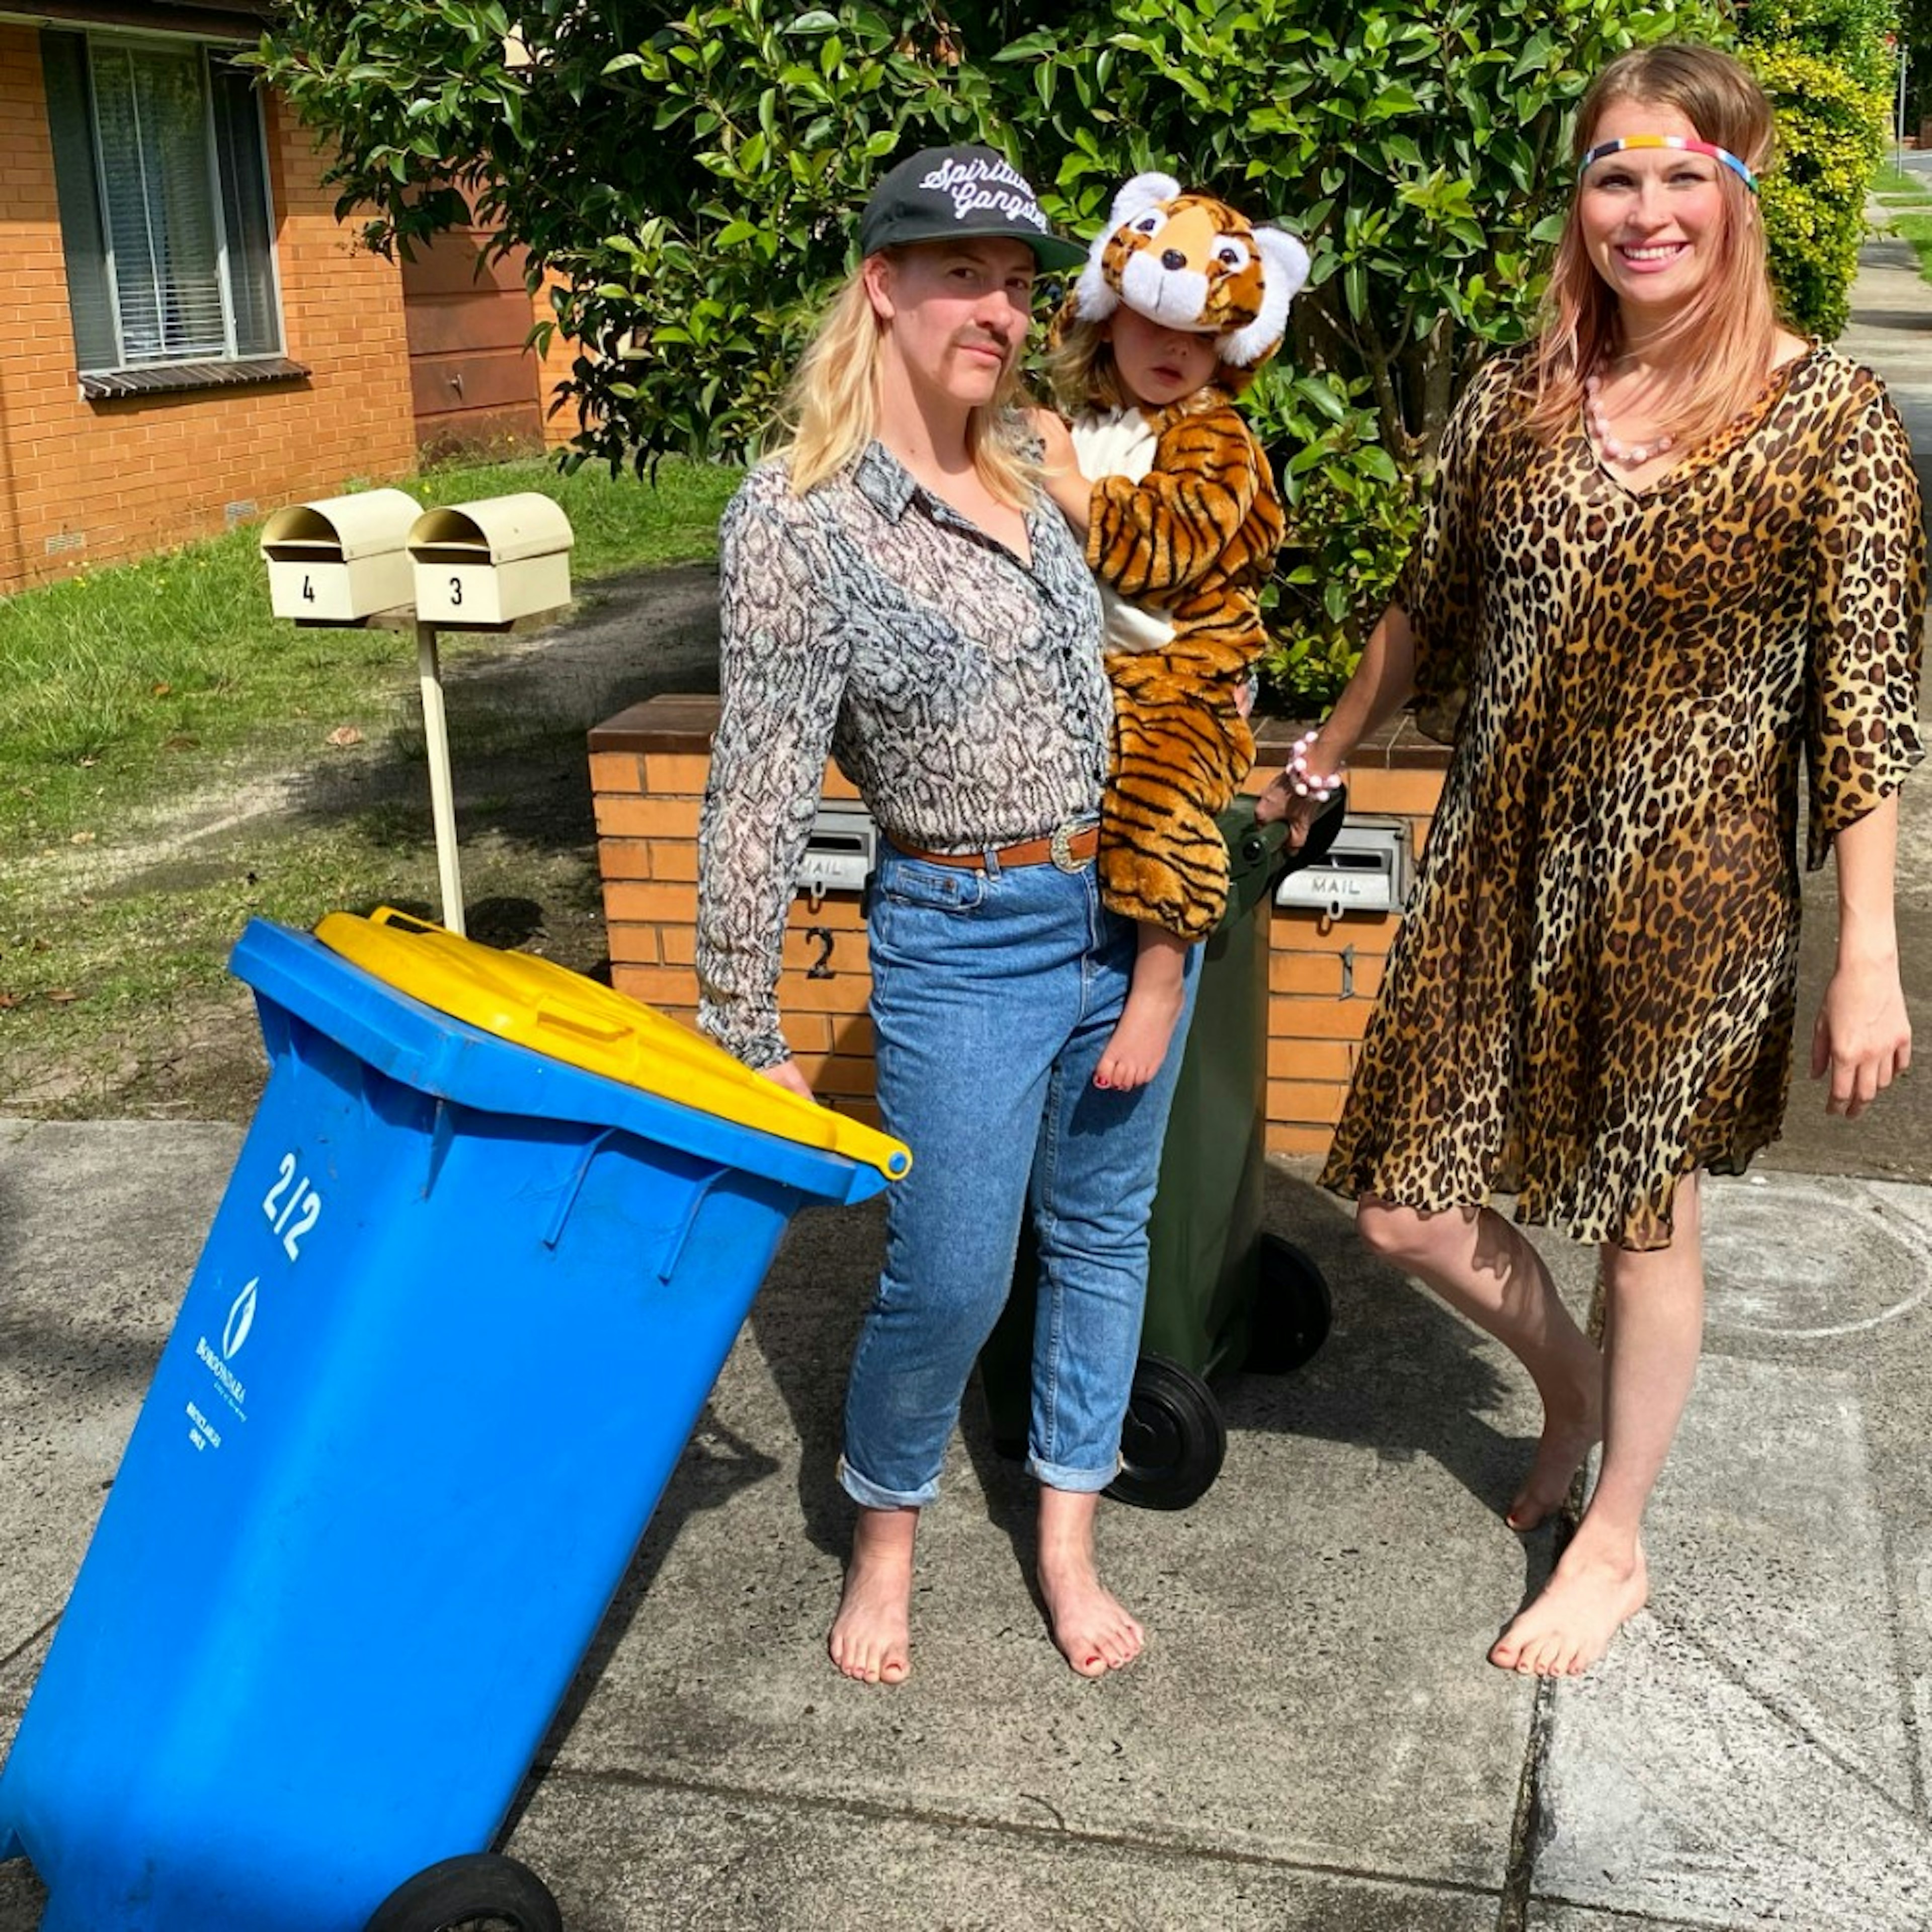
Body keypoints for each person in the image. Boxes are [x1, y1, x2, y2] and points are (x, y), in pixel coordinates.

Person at [1257, 42, 1924, 1678]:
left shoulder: (1822, 418)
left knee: (1646, 1225)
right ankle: (1566, 1390)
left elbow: (1868, 700)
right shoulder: (1520, 395)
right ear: (1583, 195)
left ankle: (1615, 1539)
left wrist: (1866, 954)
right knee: (1410, 1213)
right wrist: (1335, 745)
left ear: (1739, 192)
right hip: (1499, 850)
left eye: (1684, 174)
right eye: (1615, 174)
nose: (1646, 209)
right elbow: (1432, 602)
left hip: (1695, 892)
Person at [695, 146, 1201, 1685]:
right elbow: (759, 786)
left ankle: (1066, 1538)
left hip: (1113, 911)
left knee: (1104, 1239)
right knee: (956, 1267)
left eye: (1017, 279)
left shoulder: (1042, 470)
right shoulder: (801, 521)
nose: (998, 305)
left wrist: (1174, 931)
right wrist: (743, 1022)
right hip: (961, 929)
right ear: (885, 286)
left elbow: (1154, 679)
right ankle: (887, 1531)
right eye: (963, 272)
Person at [1033, 173, 1309, 1090]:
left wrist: (1070, 487)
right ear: (1109, 317)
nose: (1174, 350)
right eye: (1154, 323)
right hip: (1086, 671)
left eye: (1199, 337)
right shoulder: (1084, 419)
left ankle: (1159, 985)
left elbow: (1172, 549)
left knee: (1160, 804)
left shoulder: (1214, 434)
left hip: (1183, 671)